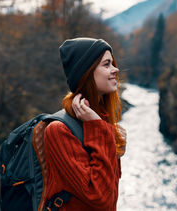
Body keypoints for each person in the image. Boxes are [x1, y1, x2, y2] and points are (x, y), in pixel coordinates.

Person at [43, 37, 126, 210]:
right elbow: (100, 199)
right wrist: (100, 131)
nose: (115, 69)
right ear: (86, 73)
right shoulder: (59, 131)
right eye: (107, 64)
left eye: (113, 63)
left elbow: (111, 194)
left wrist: (115, 151)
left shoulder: (101, 121)